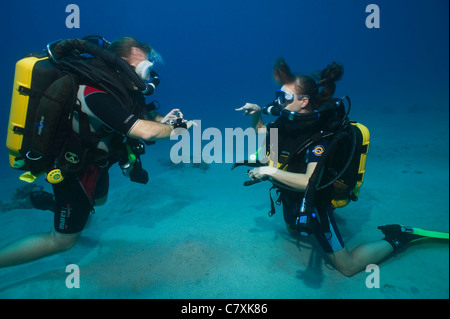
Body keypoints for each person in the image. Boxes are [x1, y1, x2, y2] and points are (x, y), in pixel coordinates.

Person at [0, 37, 194, 268]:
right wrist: (176, 130)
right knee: (62, 242)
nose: (147, 76)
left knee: (99, 201)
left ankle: (55, 205)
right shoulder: (95, 94)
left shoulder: (122, 91)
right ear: (121, 65)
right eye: (144, 68)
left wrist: (168, 121)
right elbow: (145, 131)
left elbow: (141, 117)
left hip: (98, 163)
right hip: (74, 170)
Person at [235, 59, 426, 277]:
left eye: (284, 98)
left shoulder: (320, 136)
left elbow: (309, 181)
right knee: (293, 230)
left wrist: (269, 171)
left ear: (304, 101)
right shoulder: (285, 123)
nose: (277, 102)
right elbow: (262, 131)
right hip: (289, 194)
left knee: (348, 266)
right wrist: (258, 112)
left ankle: (398, 237)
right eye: (278, 95)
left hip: (313, 201)